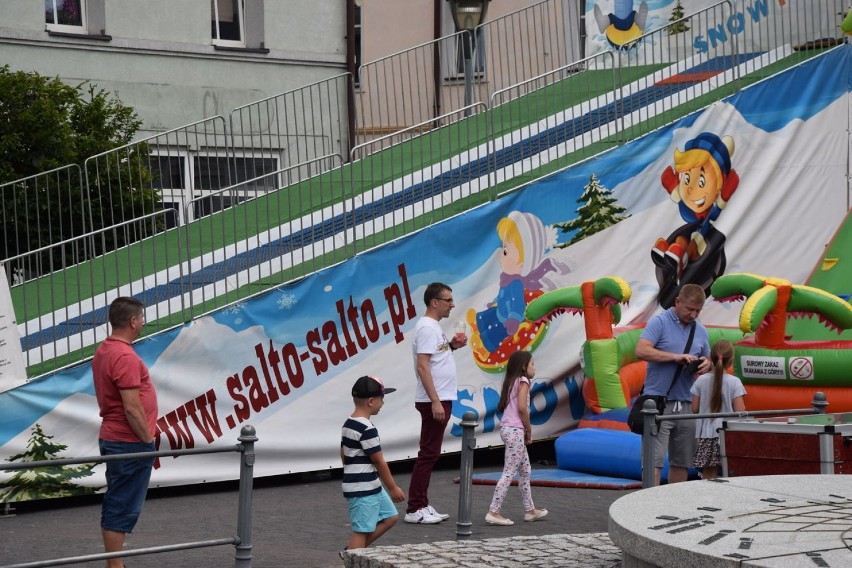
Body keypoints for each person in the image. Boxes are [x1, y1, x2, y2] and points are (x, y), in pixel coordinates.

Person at [92, 297, 158, 568]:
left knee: (118, 501)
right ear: (133, 321)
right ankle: (114, 565)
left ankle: (115, 563)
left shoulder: (105, 349)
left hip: (117, 438)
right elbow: (131, 407)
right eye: (141, 318)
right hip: (128, 441)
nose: (142, 323)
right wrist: (147, 439)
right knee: (121, 505)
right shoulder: (124, 356)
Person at [635, 283, 711, 485]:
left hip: (687, 403)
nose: (693, 314)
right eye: (689, 309)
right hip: (658, 402)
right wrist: (675, 357)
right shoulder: (659, 322)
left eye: (698, 310)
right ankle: (648, 507)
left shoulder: (701, 331)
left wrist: (706, 364)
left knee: (682, 462)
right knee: (654, 462)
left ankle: (674, 507)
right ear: (678, 302)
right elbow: (641, 351)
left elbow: (708, 358)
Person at [405, 282, 467, 524]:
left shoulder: (432, 328)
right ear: (434, 302)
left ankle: (421, 504)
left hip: (440, 397)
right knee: (428, 453)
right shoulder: (428, 328)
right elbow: (423, 366)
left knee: (429, 453)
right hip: (436, 399)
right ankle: (415, 508)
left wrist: (451, 346)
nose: (452, 304)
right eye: (448, 300)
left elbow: (435, 358)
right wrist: (435, 401)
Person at [340, 375, 405, 556]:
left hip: (369, 484)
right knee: (362, 530)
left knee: (390, 517)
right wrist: (392, 487)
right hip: (363, 487)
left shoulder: (349, 423)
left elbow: (343, 453)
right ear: (371, 401)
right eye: (381, 398)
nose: (382, 403)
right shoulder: (367, 428)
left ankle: (351, 552)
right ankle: (352, 556)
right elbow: (378, 460)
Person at [485, 351, 548, 526]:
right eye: (532, 364)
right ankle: (493, 511)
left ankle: (530, 510)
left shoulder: (512, 381)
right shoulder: (524, 381)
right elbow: (522, 408)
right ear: (523, 367)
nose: (535, 367)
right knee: (509, 472)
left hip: (510, 430)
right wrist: (529, 429)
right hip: (515, 430)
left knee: (526, 470)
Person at [690, 340, 746, 480]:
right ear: (731, 360)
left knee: (708, 477)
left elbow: (694, 409)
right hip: (727, 435)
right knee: (731, 473)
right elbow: (740, 411)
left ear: (711, 358)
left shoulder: (701, 380)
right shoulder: (735, 382)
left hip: (706, 435)